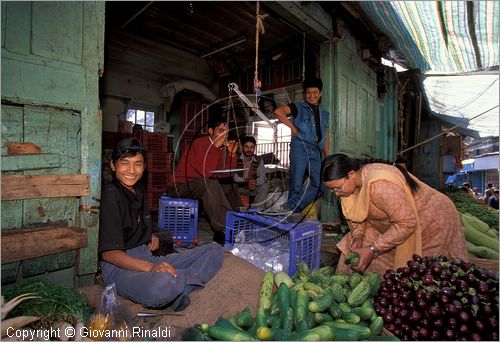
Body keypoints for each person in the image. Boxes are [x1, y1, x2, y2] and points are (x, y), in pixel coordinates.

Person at [99, 137, 224, 310]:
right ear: (113, 165)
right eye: (125, 163)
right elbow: (110, 254)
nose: (131, 170)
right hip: (120, 268)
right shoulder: (110, 195)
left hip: (146, 256)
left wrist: (148, 234)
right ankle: (181, 283)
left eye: (138, 164)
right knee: (161, 285)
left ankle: (181, 284)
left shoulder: (139, 190)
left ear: (144, 167)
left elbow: (132, 223)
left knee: (215, 250)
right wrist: (151, 267)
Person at [321, 153, 468, 275]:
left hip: (431, 220)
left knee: (423, 270)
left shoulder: (379, 186)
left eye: (338, 188)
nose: (336, 193)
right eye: (332, 190)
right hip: (397, 221)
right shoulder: (352, 184)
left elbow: (407, 223)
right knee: (351, 243)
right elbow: (357, 214)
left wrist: (373, 249)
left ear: (351, 174)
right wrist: (358, 237)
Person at [169, 115, 241, 245]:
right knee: (210, 183)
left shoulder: (221, 148)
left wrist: (232, 155)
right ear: (211, 131)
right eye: (220, 130)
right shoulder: (200, 144)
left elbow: (226, 173)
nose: (224, 134)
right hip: (180, 186)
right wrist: (214, 147)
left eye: (226, 131)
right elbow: (207, 172)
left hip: (200, 184)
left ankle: (236, 223)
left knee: (231, 185)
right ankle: (224, 228)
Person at [273, 77, 330, 213]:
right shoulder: (297, 107)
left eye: (315, 92)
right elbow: (278, 112)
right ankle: (291, 216)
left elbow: (326, 136)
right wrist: (293, 128)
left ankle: (291, 208)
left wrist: (328, 157)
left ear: (320, 93)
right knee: (296, 184)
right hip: (300, 147)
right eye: (308, 93)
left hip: (316, 150)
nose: (312, 95)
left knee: (321, 185)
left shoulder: (325, 114)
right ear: (305, 94)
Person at [233, 135, 270, 209]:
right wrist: (246, 181)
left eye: (252, 147)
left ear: (254, 148)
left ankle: (255, 211)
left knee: (265, 185)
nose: (249, 149)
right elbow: (233, 176)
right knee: (231, 185)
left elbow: (263, 177)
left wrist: (255, 182)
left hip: (252, 188)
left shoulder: (258, 160)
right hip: (238, 188)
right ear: (242, 147)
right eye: (246, 146)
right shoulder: (236, 158)